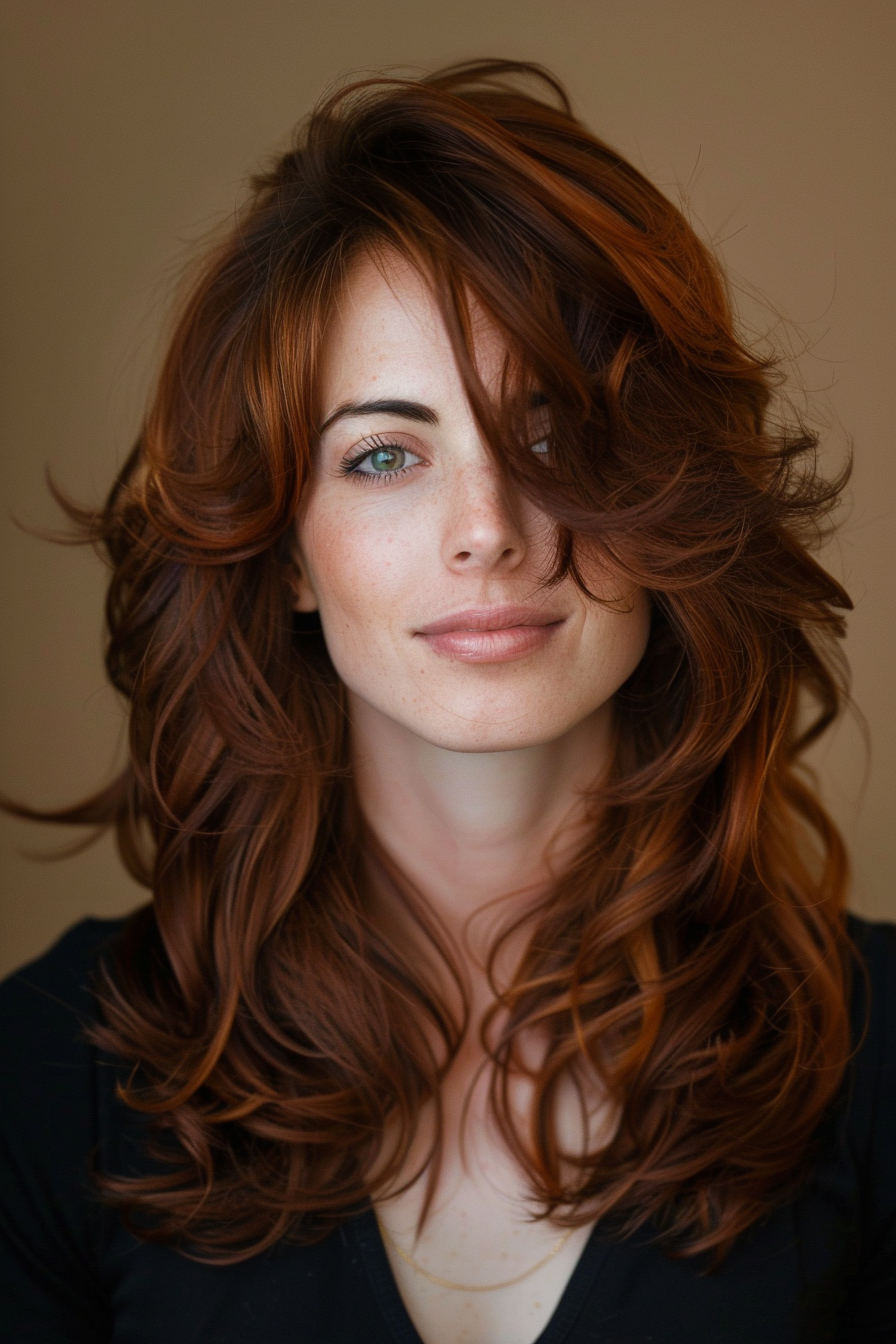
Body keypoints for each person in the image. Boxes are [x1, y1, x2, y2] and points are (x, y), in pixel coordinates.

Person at [0, 58, 893, 1344]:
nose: (486, 530)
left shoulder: (871, 1066)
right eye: (383, 454)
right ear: (287, 550)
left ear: (667, 497)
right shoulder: (50, 1071)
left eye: (552, 433)